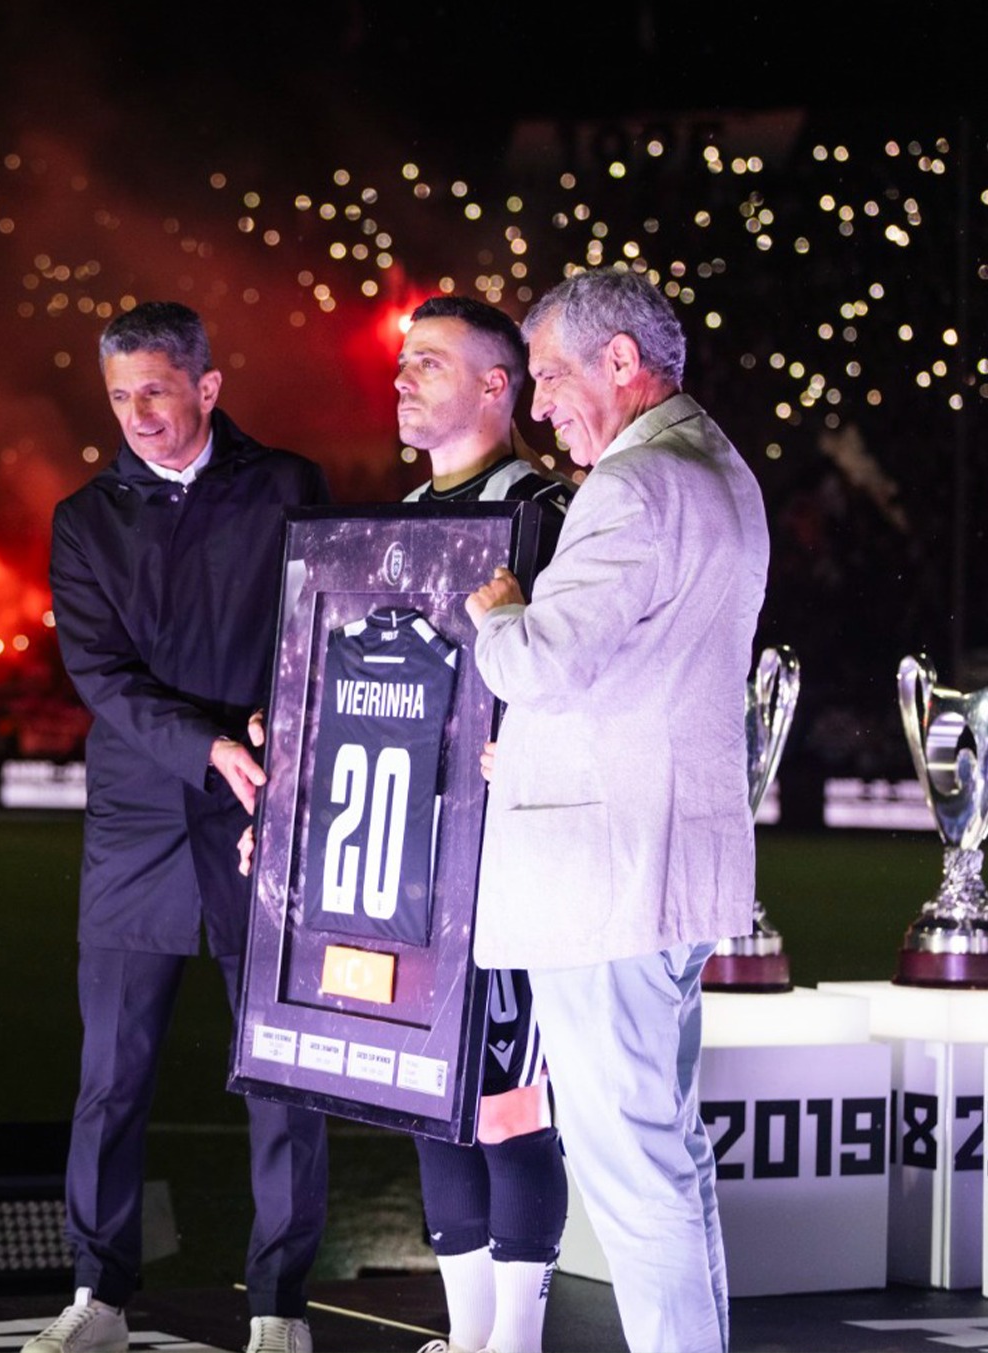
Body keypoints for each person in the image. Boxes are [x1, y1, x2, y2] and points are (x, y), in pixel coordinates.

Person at [465, 269, 770, 1353]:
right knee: (667, 1160)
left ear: (622, 362)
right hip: (666, 870)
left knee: (635, 1172)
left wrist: (501, 612)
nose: (540, 403)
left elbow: (543, 664)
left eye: (551, 375)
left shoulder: (633, 486)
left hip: (605, 882)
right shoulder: (720, 468)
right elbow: (641, 676)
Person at [28, 302, 330, 1353]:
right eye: (120, 395)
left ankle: (281, 1308)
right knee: (111, 1078)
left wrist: (275, 733)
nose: (138, 413)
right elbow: (101, 674)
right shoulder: (85, 518)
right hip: (137, 820)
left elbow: (318, 629)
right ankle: (97, 1299)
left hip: (265, 810)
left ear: (207, 386)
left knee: (284, 1073)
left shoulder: (289, 486)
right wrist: (206, 745)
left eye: (155, 389)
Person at [396, 295, 571, 1353]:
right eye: (405, 361)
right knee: (431, 1091)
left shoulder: (550, 515)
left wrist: (540, 751)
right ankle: (468, 1339)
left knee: (509, 1102)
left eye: (430, 361)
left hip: (513, 861)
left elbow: (583, 669)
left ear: (496, 386)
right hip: (414, 860)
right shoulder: (399, 516)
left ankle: (518, 1342)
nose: (404, 377)